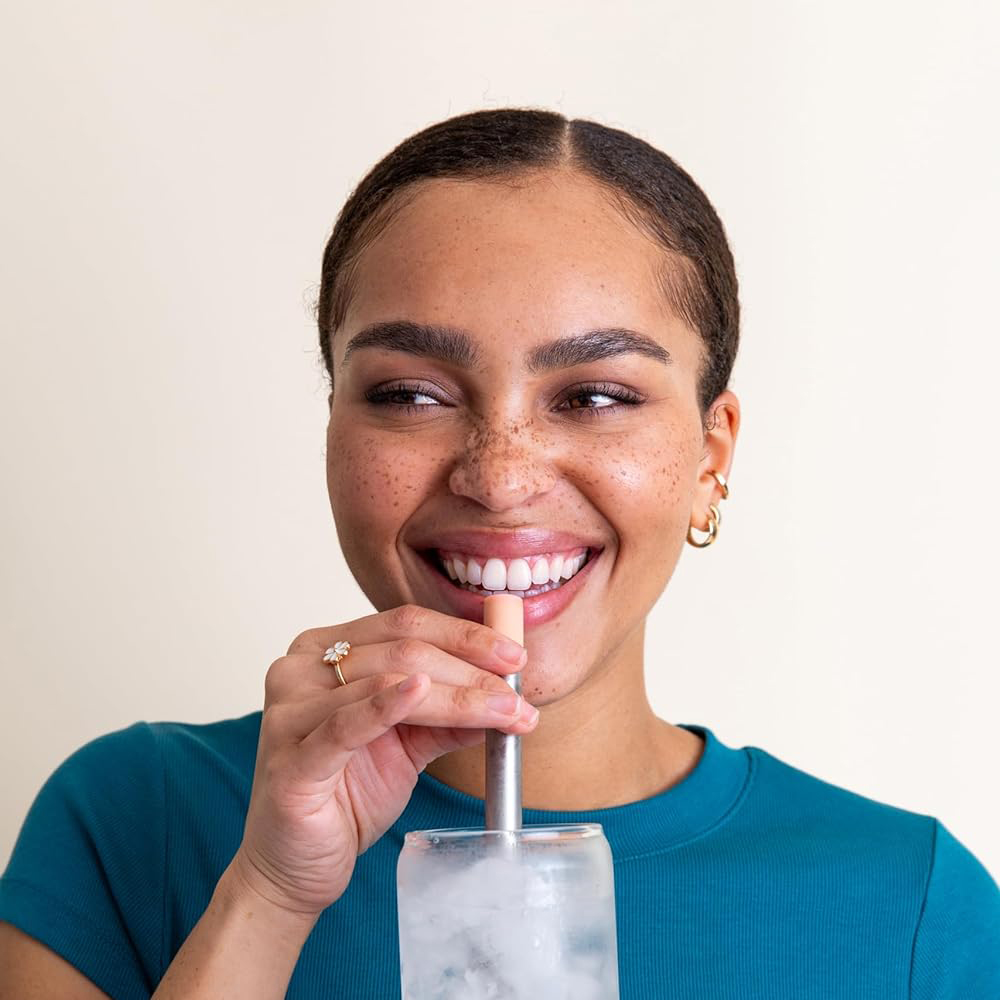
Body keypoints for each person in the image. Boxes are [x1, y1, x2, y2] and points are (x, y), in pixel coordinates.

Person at [1, 108, 997, 999]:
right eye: (409, 394)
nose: (499, 475)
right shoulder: (136, 819)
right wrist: (266, 896)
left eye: (595, 396)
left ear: (710, 455)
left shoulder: (914, 905)